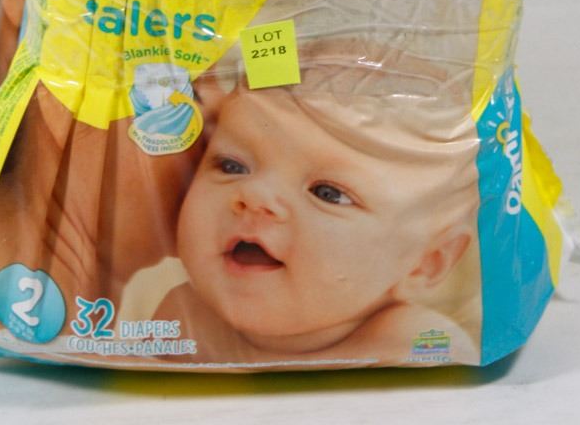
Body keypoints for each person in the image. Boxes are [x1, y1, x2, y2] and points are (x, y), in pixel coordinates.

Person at [152, 40, 482, 367]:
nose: (255, 195)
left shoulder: (414, 343)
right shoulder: (181, 319)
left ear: (426, 263)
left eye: (328, 193)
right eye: (232, 166)